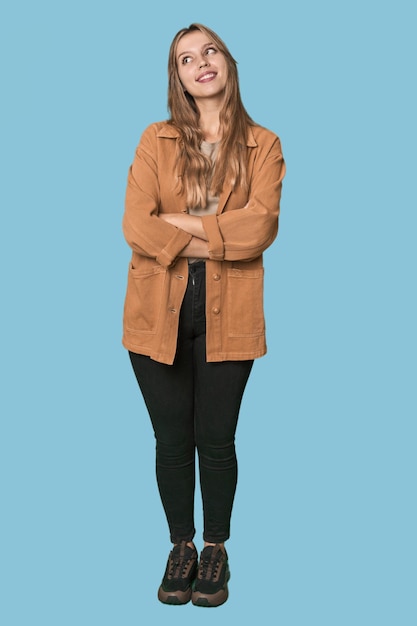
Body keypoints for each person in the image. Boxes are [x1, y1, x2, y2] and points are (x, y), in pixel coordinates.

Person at [122, 23, 285, 607]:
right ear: (180, 78)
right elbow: (135, 224)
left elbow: (261, 227)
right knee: (171, 441)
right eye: (187, 59)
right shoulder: (155, 139)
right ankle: (181, 545)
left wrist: (183, 226)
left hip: (232, 309)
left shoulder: (263, 144)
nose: (201, 63)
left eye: (209, 50)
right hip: (153, 309)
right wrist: (220, 232)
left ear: (227, 61)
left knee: (216, 440)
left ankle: (216, 549)